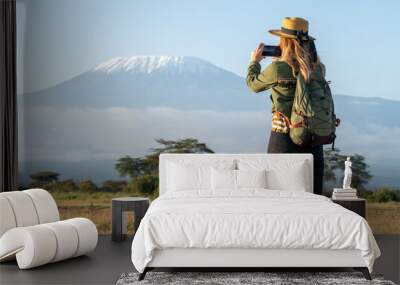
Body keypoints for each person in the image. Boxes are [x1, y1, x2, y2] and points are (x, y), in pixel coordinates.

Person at [246, 17, 326, 195]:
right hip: (313, 137)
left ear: (284, 42)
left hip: (283, 136)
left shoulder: (277, 69)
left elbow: (253, 85)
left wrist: (254, 63)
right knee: (313, 195)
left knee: (277, 195)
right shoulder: (319, 69)